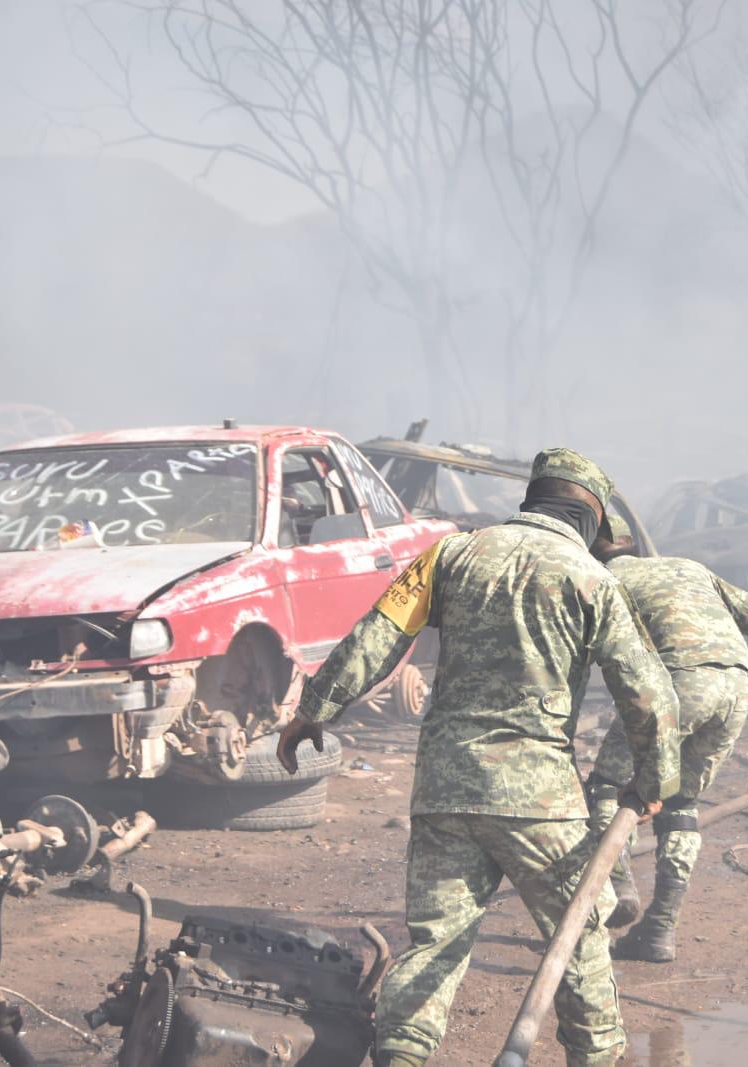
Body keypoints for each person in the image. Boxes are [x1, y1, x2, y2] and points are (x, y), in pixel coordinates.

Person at [276, 448, 680, 1067]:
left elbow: (378, 633)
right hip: (538, 799)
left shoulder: (451, 553)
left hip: (444, 786)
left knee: (435, 942)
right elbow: (649, 693)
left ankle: (401, 1057)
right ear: (590, 518)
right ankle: (596, 1058)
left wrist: (315, 709)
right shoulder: (593, 578)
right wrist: (655, 781)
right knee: (576, 940)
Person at [584, 540, 748, 963]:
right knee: (681, 801)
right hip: (736, 686)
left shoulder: (603, 577)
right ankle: (660, 928)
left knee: (608, 785)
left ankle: (617, 884)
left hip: (679, 683)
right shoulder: (688, 568)